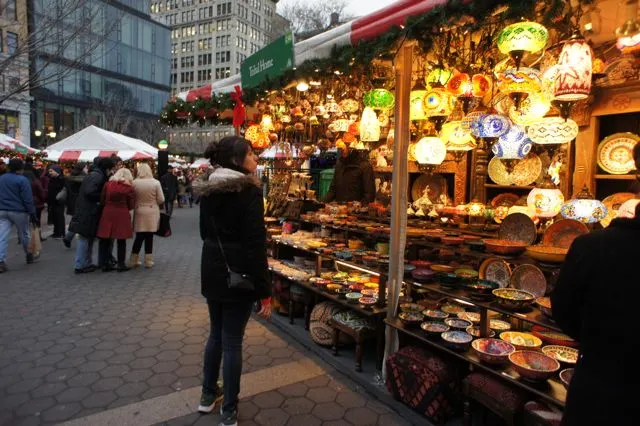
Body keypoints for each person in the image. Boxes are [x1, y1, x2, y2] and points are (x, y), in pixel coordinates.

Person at [552, 148, 640, 426]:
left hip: (600, 380)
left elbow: (564, 310)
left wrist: (596, 337)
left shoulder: (593, 246)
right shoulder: (592, 245)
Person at [193, 136, 271, 426]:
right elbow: (255, 243)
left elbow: (203, 232)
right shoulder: (248, 192)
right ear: (237, 161)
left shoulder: (208, 189)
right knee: (232, 341)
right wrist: (265, 291)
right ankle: (229, 409)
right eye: (251, 154)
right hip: (240, 272)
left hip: (212, 268)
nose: (255, 159)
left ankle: (206, 396)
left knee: (216, 334)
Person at [68, 157, 115, 274]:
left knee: (88, 238)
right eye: (111, 169)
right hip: (88, 211)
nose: (111, 172)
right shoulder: (97, 176)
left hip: (87, 210)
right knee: (84, 238)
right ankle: (80, 265)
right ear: (107, 168)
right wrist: (102, 197)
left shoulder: (94, 174)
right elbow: (89, 192)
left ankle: (86, 263)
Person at [0, 158, 37, 272]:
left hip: (2, 210)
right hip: (19, 211)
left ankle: (1, 260)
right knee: (24, 234)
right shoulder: (22, 180)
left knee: (2, 236)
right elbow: (27, 199)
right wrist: (32, 213)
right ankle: (29, 254)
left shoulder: (1, 178)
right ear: (20, 168)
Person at [97, 167, 136, 272]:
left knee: (106, 238)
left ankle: (104, 263)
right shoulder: (128, 188)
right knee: (121, 239)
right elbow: (131, 204)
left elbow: (102, 199)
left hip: (108, 212)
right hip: (122, 213)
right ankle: (121, 264)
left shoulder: (107, 185)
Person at [130, 163, 164, 268]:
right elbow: (161, 199)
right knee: (149, 236)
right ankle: (148, 260)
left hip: (139, 210)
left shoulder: (134, 183)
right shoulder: (156, 183)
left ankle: (133, 259)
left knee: (139, 236)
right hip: (151, 211)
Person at [63, 163, 87, 248]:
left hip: (71, 200)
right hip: (80, 200)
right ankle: (69, 236)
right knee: (78, 219)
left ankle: (69, 236)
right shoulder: (84, 177)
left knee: (75, 218)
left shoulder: (69, 176)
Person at [22, 170, 46, 258]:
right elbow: (42, 193)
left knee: (25, 224)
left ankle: (21, 239)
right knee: (36, 221)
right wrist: (43, 200)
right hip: (36, 203)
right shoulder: (35, 182)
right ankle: (37, 237)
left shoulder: (23, 182)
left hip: (23, 205)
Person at [46, 165, 67, 239]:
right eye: (49, 171)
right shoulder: (52, 179)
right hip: (53, 201)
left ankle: (60, 233)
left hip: (59, 201)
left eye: (51, 171)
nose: (50, 173)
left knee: (59, 217)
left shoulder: (62, 179)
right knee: (55, 217)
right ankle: (56, 232)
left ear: (56, 171)